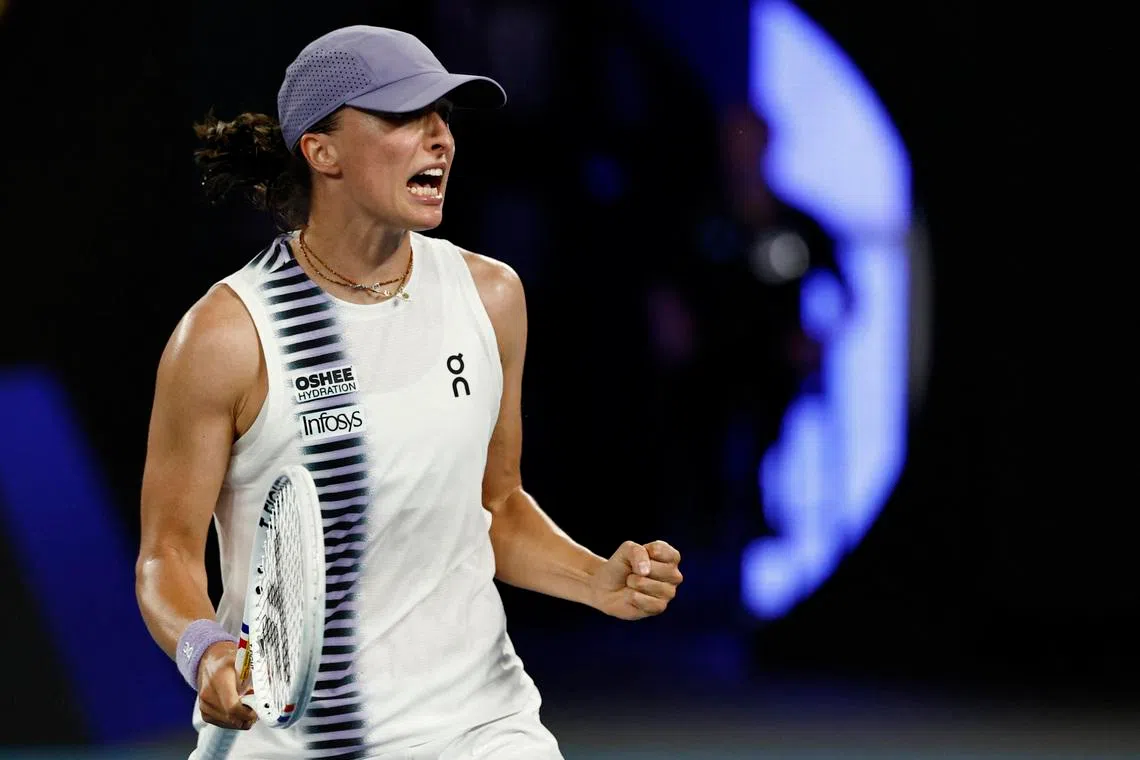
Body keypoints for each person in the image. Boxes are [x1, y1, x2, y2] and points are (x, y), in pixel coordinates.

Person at [135, 25, 683, 760]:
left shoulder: (490, 296)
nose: (439, 139)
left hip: (482, 727)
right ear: (320, 150)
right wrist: (205, 652)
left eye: (444, 117)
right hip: (295, 740)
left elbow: (497, 506)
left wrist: (597, 580)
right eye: (402, 116)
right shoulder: (229, 335)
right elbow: (166, 553)